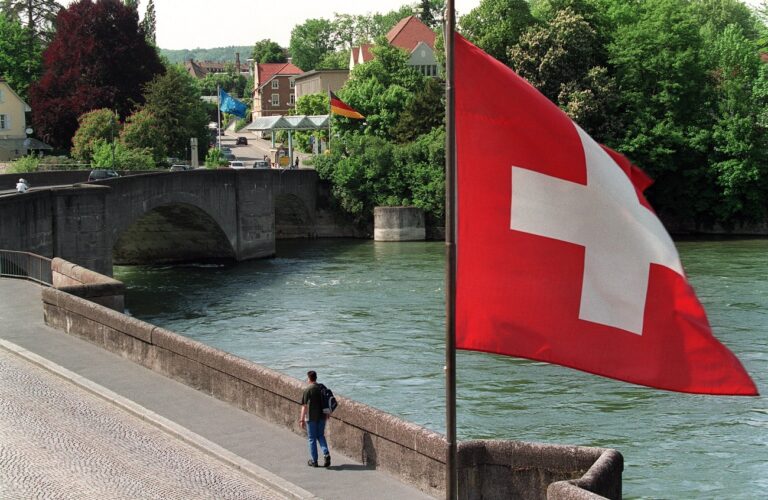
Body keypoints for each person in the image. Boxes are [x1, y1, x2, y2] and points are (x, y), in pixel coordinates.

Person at [300, 370, 330, 467]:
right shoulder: (322, 387)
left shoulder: (308, 390)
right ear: (316, 378)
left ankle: (314, 461)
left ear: (309, 378)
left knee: (312, 438)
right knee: (321, 435)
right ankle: (326, 453)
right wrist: (327, 414)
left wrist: (301, 420)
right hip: (322, 416)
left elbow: (304, 406)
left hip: (311, 417)